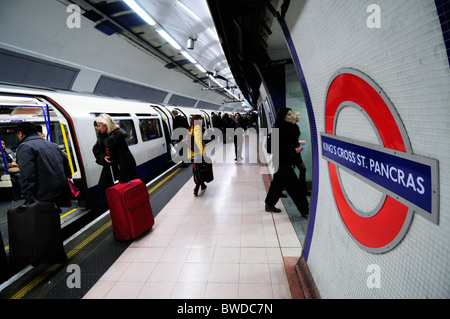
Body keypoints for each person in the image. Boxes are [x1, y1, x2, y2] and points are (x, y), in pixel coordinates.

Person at [264, 108, 309, 216]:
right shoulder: (277, 130)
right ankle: (304, 210)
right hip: (281, 162)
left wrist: (297, 143)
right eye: (289, 115)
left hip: (288, 161)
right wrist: (293, 150)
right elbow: (272, 149)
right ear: (283, 116)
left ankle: (269, 204)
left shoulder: (290, 128)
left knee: (277, 184)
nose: (292, 116)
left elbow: (286, 142)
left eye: (291, 114)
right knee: (295, 187)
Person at [15, 122, 71, 206]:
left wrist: (29, 198)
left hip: (42, 192)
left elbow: (27, 174)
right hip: (59, 188)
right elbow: (65, 165)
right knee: (54, 214)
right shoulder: (53, 145)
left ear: (20, 134)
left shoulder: (25, 147)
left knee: (43, 217)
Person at [92, 114, 138, 190]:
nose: (98, 128)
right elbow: (96, 149)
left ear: (106, 124)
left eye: (99, 126)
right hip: (110, 170)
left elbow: (124, 158)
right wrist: (103, 157)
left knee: (123, 192)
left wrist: (123, 178)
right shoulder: (102, 136)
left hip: (121, 170)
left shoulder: (118, 137)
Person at [188, 114, 207, 196]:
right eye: (200, 119)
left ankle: (202, 185)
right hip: (197, 153)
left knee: (197, 170)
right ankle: (197, 187)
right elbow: (198, 140)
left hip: (192, 153)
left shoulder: (191, 127)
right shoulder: (197, 127)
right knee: (199, 170)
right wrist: (201, 152)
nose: (201, 120)